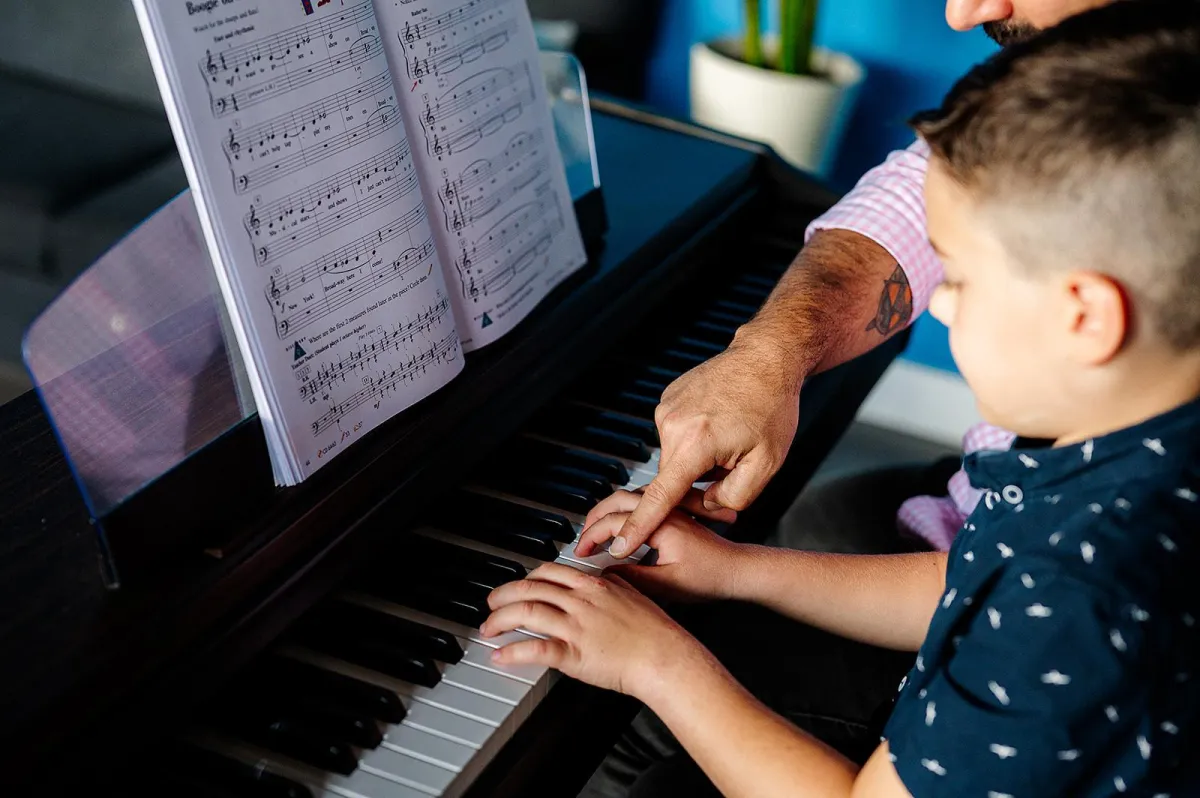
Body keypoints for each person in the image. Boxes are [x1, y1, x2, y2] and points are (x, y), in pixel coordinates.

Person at [480, 2, 1200, 796]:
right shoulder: (1119, 451)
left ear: (1085, 317)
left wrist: (659, 665)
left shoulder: (1077, 597)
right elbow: (970, 579)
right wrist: (737, 572)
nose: (940, 304)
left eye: (956, 278)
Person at [572, 0, 1131, 565]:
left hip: (989, 575)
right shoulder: (1113, 78)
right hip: (975, 507)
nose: (964, 14)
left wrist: (734, 585)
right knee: (816, 518)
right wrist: (766, 357)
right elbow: (929, 188)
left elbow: (999, 588)